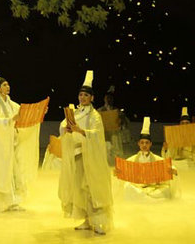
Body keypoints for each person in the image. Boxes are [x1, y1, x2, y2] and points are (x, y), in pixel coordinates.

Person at [58, 70, 113, 235]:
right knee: (79, 188)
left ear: (92, 98)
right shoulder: (75, 112)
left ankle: (98, 221)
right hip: (77, 155)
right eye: (81, 95)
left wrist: (81, 131)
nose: (82, 97)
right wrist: (67, 129)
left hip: (90, 156)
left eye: (86, 95)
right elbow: (63, 126)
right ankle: (86, 219)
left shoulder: (95, 116)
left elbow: (96, 134)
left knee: (91, 187)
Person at [0, 68, 29, 212]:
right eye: (4, 85)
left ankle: (12, 201)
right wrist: (11, 119)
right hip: (0, 144)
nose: (8, 87)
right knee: (1, 171)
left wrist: (37, 112)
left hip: (10, 143)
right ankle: (1, 202)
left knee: (12, 172)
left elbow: (22, 111)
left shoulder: (10, 103)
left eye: (8, 84)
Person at [121, 117, 179, 200]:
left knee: (166, 189)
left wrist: (173, 170)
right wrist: (118, 171)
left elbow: (168, 165)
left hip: (154, 188)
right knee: (127, 187)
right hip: (138, 188)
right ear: (138, 144)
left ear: (150, 144)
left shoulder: (156, 158)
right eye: (142, 143)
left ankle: (146, 198)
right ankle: (148, 199)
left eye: (146, 143)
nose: (144, 145)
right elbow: (123, 168)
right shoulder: (132, 159)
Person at [97, 85, 130, 161]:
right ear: (104, 99)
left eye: (110, 98)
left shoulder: (117, 111)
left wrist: (121, 119)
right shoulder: (100, 111)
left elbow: (125, 123)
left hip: (114, 135)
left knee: (116, 152)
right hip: (104, 134)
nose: (109, 100)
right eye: (107, 98)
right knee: (105, 151)